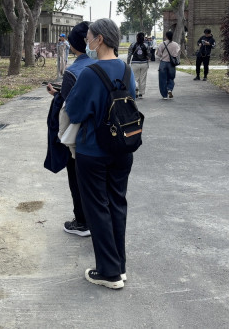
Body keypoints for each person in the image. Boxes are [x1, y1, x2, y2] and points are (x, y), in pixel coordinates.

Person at [65, 18, 136, 290]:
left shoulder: (89, 73)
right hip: (122, 147)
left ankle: (108, 272)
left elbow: (75, 111)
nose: (87, 41)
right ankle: (119, 266)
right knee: (117, 204)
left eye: (90, 37)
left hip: (92, 150)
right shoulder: (126, 70)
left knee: (97, 209)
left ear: (100, 40)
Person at [44, 21, 94, 238]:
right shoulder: (109, 65)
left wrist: (57, 95)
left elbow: (69, 108)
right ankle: (96, 220)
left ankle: (82, 221)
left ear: (74, 45)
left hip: (79, 137)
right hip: (105, 135)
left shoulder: (73, 71)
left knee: (77, 178)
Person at [155, 30, 181, 100]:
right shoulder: (176, 44)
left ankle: (164, 95)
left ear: (166, 36)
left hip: (163, 63)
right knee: (171, 78)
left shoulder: (162, 44)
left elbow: (158, 54)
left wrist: (163, 55)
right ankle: (169, 89)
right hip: (171, 64)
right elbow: (177, 53)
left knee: (162, 79)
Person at [126, 32, 150, 98]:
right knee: (142, 78)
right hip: (144, 63)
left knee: (135, 78)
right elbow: (149, 55)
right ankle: (141, 93)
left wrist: (128, 63)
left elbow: (129, 55)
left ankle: (135, 91)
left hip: (135, 63)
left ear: (137, 37)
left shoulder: (132, 45)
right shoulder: (146, 45)